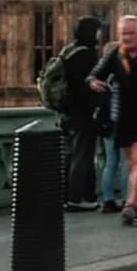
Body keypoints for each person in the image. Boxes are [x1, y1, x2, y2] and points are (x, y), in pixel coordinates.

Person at [88, 15, 137, 224]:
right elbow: (95, 74)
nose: (127, 37)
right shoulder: (115, 54)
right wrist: (93, 81)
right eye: (123, 33)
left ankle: (130, 203)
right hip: (123, 116)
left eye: (131, 33)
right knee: (131, 162)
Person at [55, 15, 104, 211]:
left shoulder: (68, 50)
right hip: (82, 114)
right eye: (98, 30)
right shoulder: (87, 54)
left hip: (65, 113)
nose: (100, 34)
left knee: (69, 155)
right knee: (82, 156)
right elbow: (87, 87)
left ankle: (71, 196)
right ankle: (76, 198)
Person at [92, 38, 128, 213]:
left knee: (110, 162)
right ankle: (128, 200)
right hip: (122, 123)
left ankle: (108, 200)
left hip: (106, 124)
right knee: (125, 163)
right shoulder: (121, 74)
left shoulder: (100, 77)